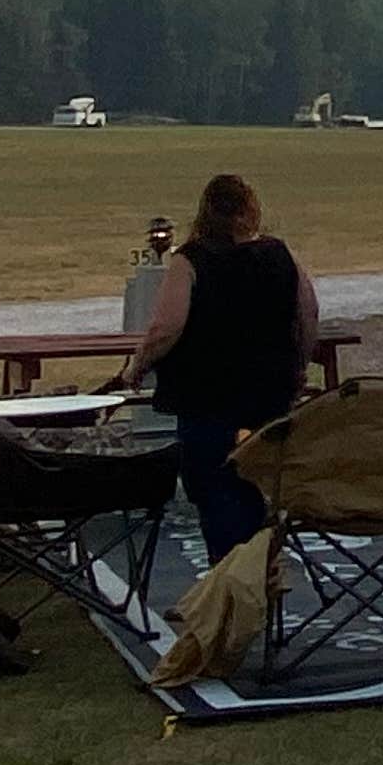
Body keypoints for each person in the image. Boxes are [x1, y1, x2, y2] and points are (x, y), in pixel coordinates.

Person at [128, 172, 320, 564]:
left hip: (207, 399)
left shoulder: (189, 260)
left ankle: (229, 580)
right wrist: (298, 365)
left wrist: (138, 364)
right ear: (252, 209)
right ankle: (259, 569)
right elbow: (307, 314)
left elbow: (167, 327)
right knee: (259, 484)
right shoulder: (282, 255)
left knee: (215, 493)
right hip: (269, 395)